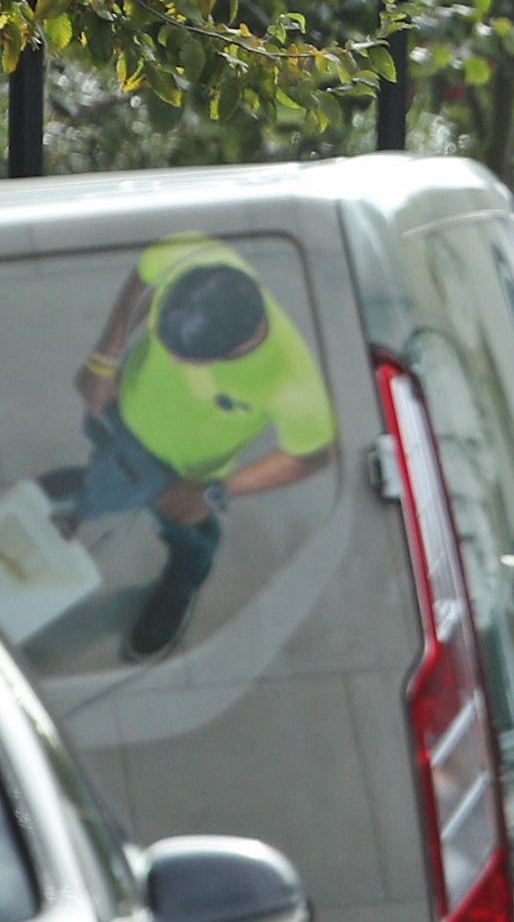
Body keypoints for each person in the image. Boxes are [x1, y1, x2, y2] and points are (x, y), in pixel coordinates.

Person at [56, 236, 340, 662]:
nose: (169, 361)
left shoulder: (293, 382)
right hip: (122, 412)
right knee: (104, 479)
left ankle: (180, 586)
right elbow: (143, 276)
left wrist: (216, 492)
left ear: (235, 352)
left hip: (186, 473)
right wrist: (105, 358)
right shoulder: (198, 259)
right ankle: (78, 505)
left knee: (192, 540)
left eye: (184, 357)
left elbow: (311, 454)